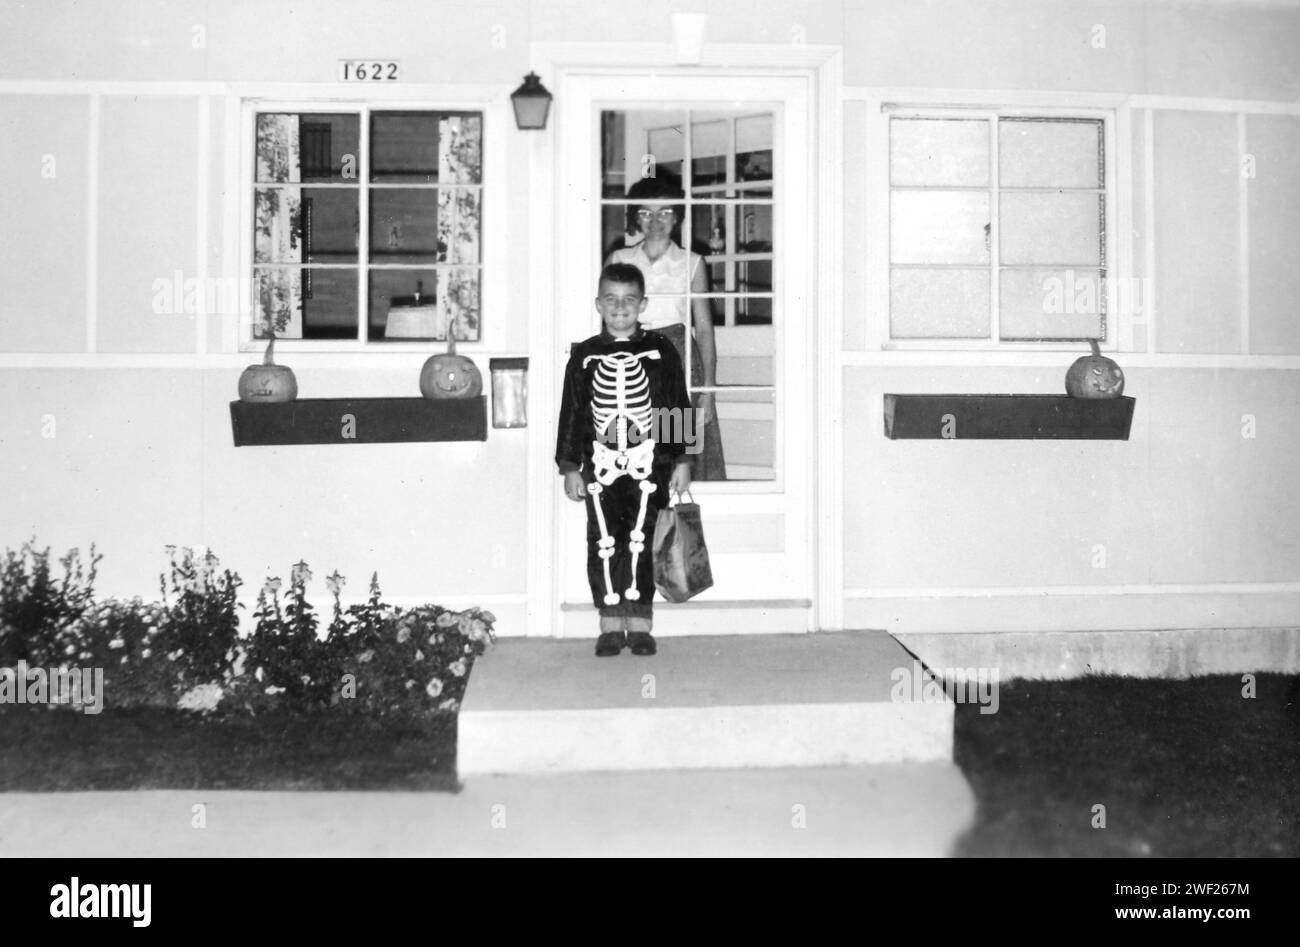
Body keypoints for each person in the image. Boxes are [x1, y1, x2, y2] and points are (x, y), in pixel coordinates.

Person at [557, 263, 693, 657]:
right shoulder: (584, 355)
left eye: (629, 300)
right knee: (603, 541)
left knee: (644, 538)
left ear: (643, 304)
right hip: (598, 463)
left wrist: (683, 460)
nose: (620, 308)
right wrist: (569, 467)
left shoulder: (660, 350)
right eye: (612, 301)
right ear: (599, 304)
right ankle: (610, 622)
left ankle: (641, 623)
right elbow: (573, 411)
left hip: (649, 463)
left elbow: (676, 403)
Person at [606, 176, 727, 480]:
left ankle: (676, 526)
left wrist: (707, 391)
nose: (656, 221)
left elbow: (705, 329)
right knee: (630, 452)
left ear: (676, 217)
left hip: (676, 366)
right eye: (646, 213)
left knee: (676, 457)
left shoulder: (692, 262)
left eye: (665, 212)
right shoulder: (621, 259)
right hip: (628, 361)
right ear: (636, 217)